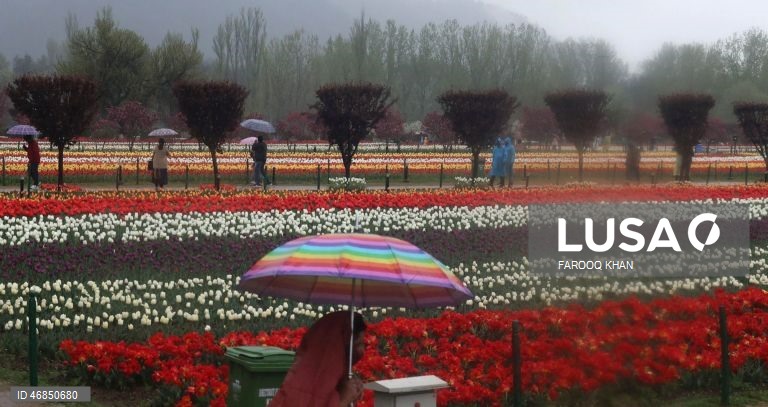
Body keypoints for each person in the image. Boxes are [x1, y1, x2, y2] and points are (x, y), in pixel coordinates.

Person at [271, 311, 367, 407]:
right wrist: (344, 400)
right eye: (358, 344)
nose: (362, 350)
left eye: (363, 344)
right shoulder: (306, 384)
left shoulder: (334, 377)